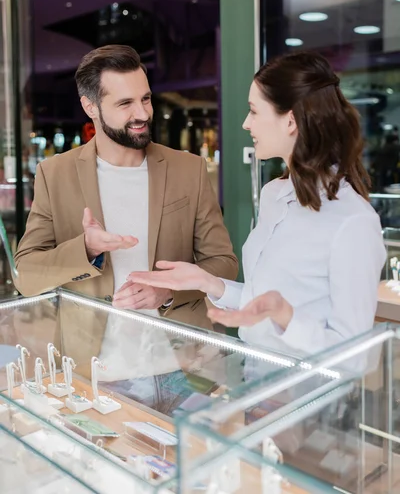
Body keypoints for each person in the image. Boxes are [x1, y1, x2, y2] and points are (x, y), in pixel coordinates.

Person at [129, 52, 386, 354]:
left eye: (254, 111)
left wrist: (285, 316)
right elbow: (260, 303)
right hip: (260, 381)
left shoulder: (353, 221)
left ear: (290, 120)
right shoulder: (273, 195)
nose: (245, 124)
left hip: (312, 393)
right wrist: (207, 281)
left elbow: (354, 357)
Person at [14, 44, 238, 333]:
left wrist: (169, 291)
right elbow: (26, 276)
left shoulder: (189, 170)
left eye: (145, 99)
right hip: (91, 364)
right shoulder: (55, 174)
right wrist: (85, 248)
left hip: (180, 359)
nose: (142, 114)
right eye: (125, 104)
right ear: (90, 106)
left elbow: (224, 263)